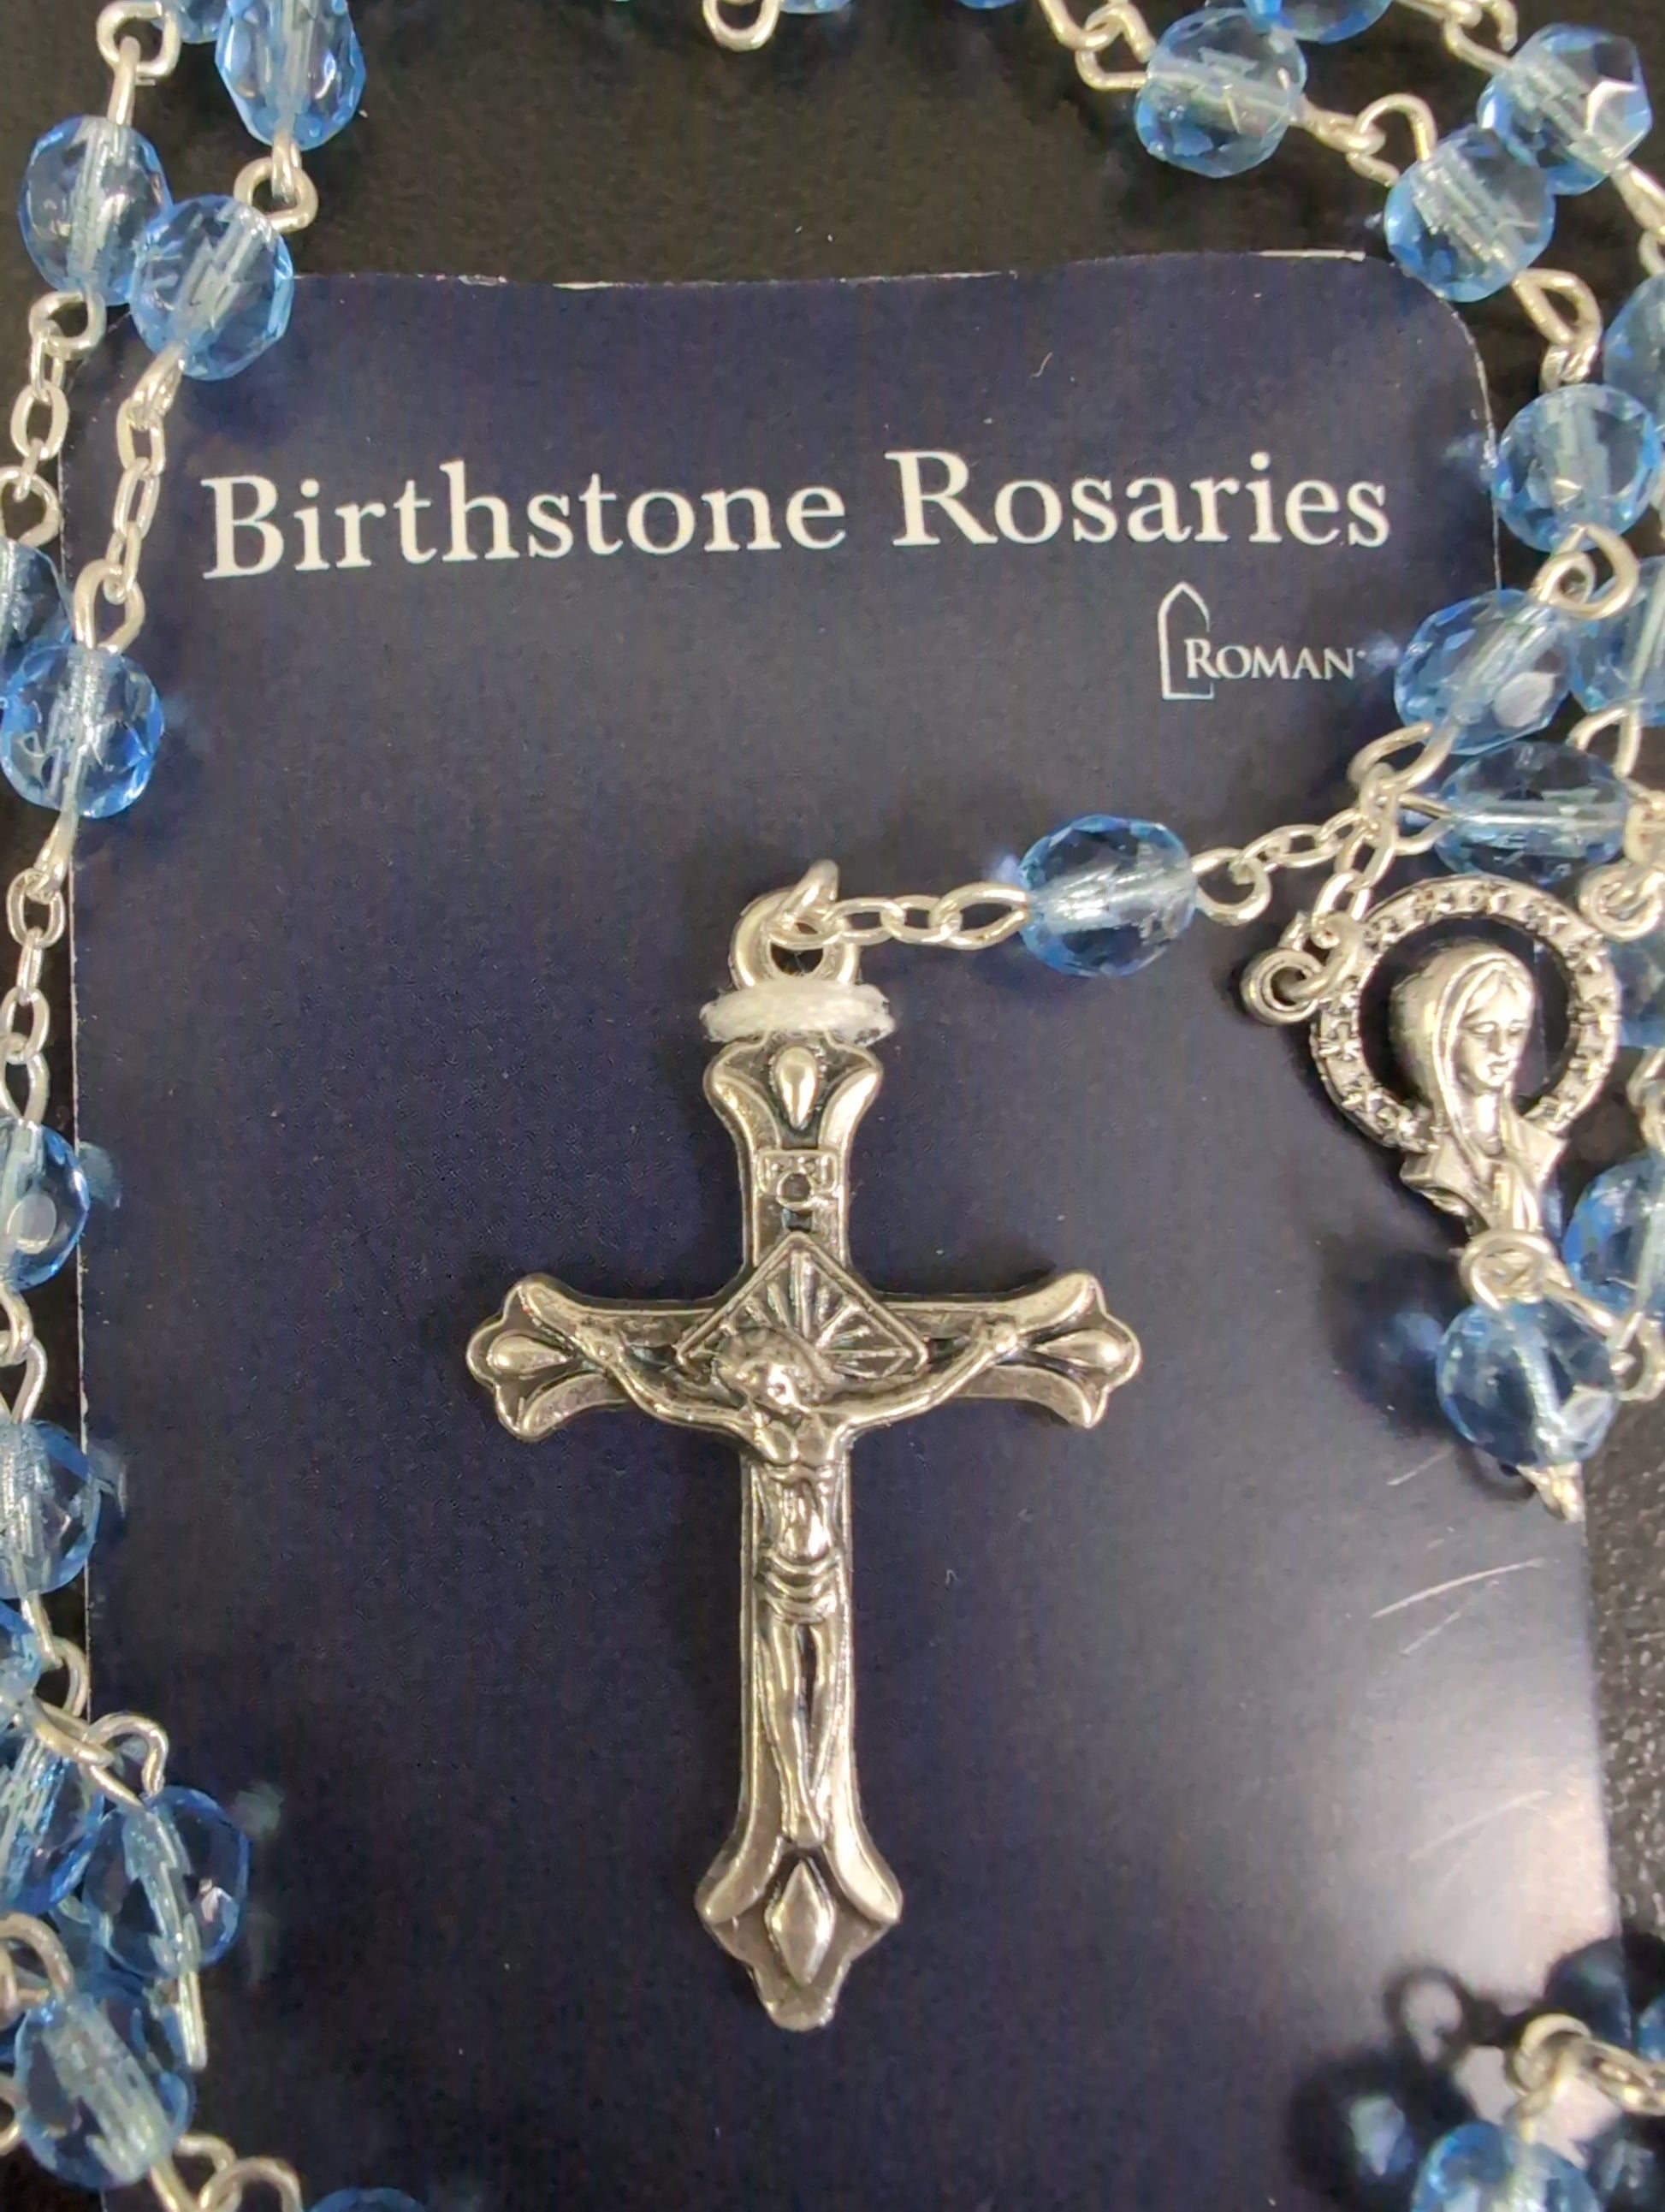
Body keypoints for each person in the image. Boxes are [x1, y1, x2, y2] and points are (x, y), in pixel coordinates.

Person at [569, 1310, 1021, 1848]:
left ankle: (817, 1786)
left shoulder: (836, 1419)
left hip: (824, 1578)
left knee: (829, 1685)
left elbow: (918, 1394)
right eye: (751, 1388)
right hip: (776, 1579)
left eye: (768, 1379)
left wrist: (979, 1354)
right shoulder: (751, 1426)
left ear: (793, 1368)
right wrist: (618, 1359)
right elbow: (669, 1401)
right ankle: (797, 1796)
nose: (764, 1394)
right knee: (781, 1690)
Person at [1390, 941, 1562, 1236]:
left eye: (1515, 1032)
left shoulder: (1536, 1146)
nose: (1502, 1049)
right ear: (1440, 1040)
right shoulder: (1433, 1153)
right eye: (1483, 1032)